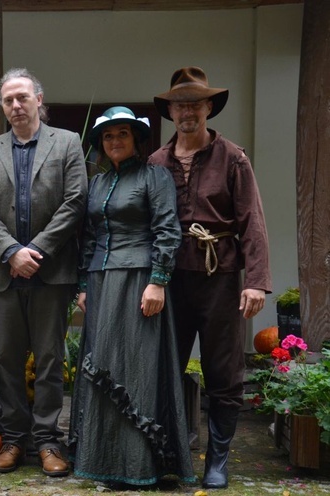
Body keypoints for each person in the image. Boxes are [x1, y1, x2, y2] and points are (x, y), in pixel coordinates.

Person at [149, 67, 272, 489]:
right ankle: (171, 450)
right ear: (170, 110)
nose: (187, 111)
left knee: (225, 370)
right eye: (180, 104)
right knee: (167, 365)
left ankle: (217, 459)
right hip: (169, 280)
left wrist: (255, 281)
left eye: (195, 103)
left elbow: (252, 220)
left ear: (207, 108)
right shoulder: (156, 162)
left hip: (220, 276)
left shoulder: (233, 157)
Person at [69, 106, 195, 487]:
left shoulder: (154, 176)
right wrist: (83, 286)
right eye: (108, 136)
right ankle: (103, 461)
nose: (115, 141)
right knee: (103, 362)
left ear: (136, 139)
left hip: (140, 279)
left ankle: (139, 465)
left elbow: (167, 228)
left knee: (135, 367)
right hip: (101, 281)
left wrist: (158, 280)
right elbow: (88, 238)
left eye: (122, 134)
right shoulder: (99, 183)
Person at [0, 68, 87, 477]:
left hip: (51, 271)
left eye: (22, 97)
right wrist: (9, 252)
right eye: (8, 101)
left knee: (51, 358)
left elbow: (75, 202)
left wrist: (34, 250)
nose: (16, 106)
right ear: (2, 106)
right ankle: (13, 439)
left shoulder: (68, 143)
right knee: (6, 358)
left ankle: (48, 441)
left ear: (39, 98)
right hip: (5, 274)